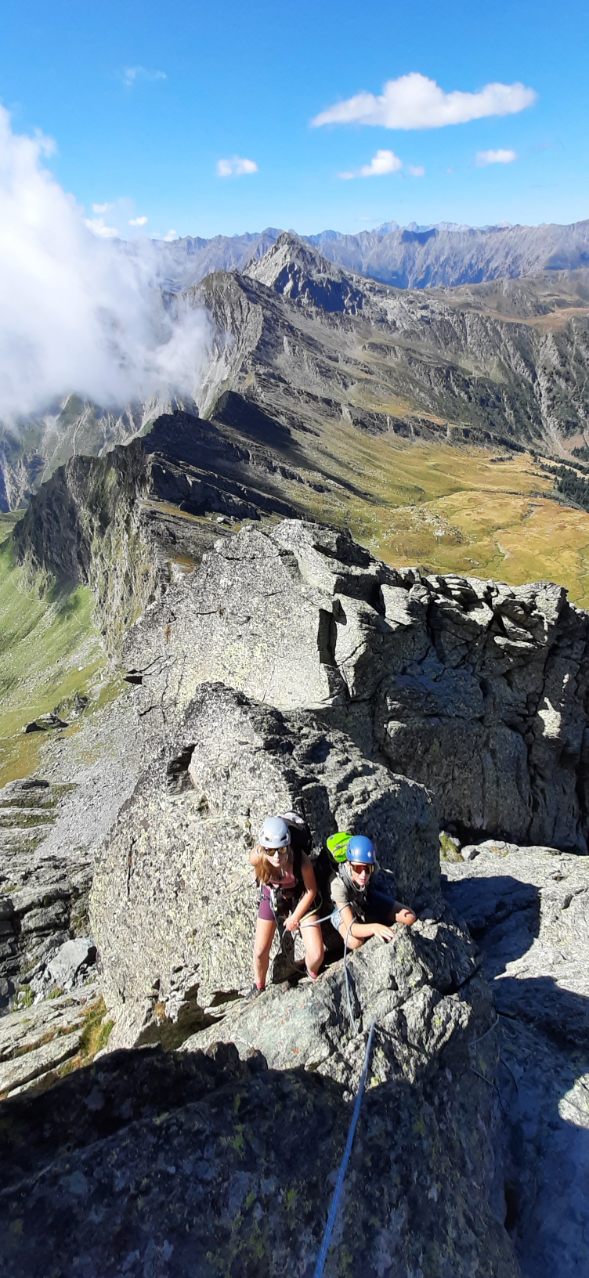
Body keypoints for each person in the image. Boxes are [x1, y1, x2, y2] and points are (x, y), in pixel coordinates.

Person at [249, 815, 324, 995]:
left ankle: (312, 975)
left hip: (299, 895)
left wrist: (295, 917)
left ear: (288, 846)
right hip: (273, 893)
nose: (276, 856)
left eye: (281, 850)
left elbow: (311, 891)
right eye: (271, 851)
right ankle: (258, 986)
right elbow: (256, 870)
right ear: (263, 849)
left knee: (316, 954)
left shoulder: (301, 860)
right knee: (260, 951)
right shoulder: (257, 857)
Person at [329, 834, 416, 950]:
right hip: (341, 909)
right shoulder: (338, 885)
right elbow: (352, 928)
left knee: (409, 917)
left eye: (367, 869)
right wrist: (374, 928)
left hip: (364, 898)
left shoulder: (373, 868)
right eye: (358, 868)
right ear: (349, 865)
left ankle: (370, 920)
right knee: (356, 942)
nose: (363, 875)